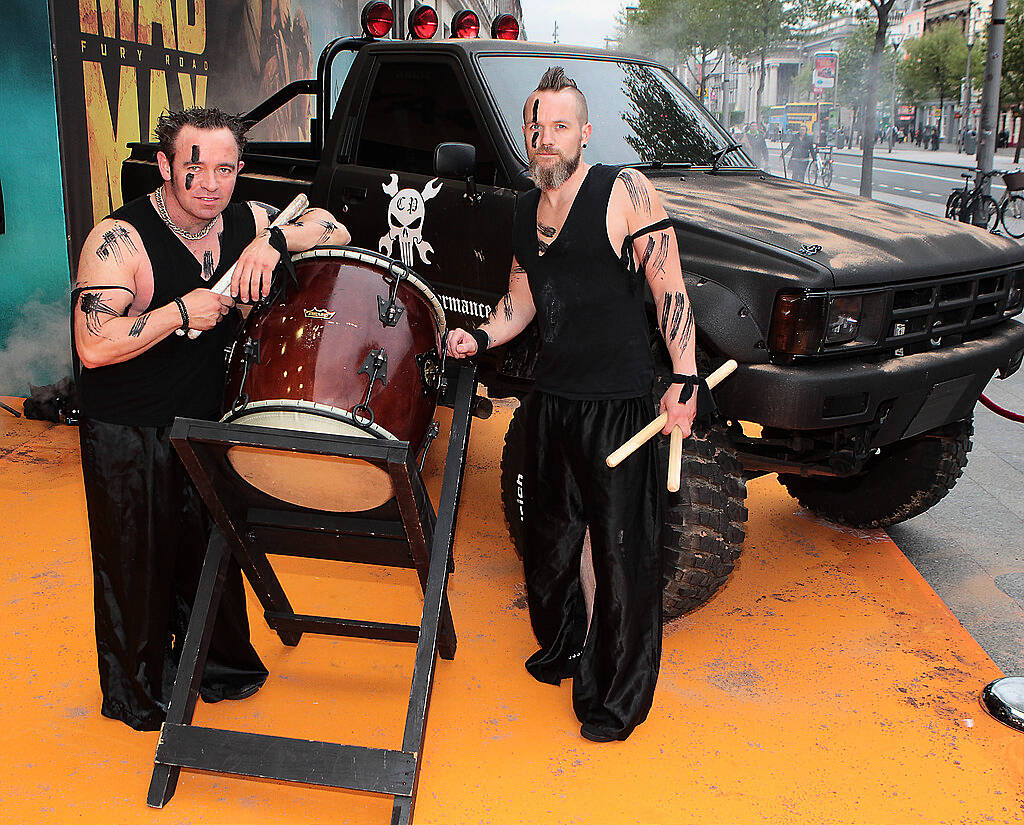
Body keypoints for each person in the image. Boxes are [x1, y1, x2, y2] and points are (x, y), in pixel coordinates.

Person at [72, 107, 350, 731]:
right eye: (194, 165)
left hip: (206, 424)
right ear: (166, 165)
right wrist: (178, 311)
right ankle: (137, 693)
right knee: (135, 567)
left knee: (208, 554)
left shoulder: (246, 218)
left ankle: (217, 668)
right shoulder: (119, 240)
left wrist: (271, 242)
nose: (209, 182)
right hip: (129, 429)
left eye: (225, 168)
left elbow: (334, 229)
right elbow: (93, 345)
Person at [446, 67, 699, 742]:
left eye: (560, 125)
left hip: (617, 404)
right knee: (553, 540)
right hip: (551, 402)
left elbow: (670, 289)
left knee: (620, 553)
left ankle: (618, 691)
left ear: (585, 132)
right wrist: (481, 333)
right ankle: (571, 646)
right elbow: (522, 298)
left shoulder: (624, 191)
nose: (547, 137)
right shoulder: (526, 207)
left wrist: (685, 379)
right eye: (537, 126)